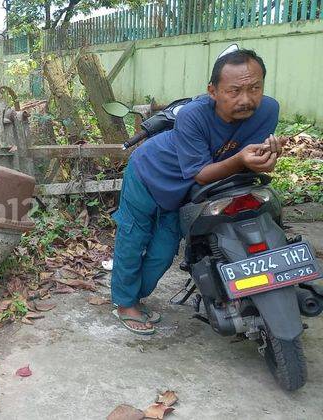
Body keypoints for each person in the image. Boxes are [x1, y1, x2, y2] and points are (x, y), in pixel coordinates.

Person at [111, 48, 286, 334]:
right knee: (133, 239)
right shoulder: (192, 115)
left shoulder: (268, 110)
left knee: (164, 252)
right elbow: (203, 173)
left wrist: (263, 162)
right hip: (149, 174)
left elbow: (248, 161)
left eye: (255, 88)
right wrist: (242, 159)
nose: (246, 99)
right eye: (235, 91)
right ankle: (124, 304)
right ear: (213, 91)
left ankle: (135, 298)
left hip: (187, 191)